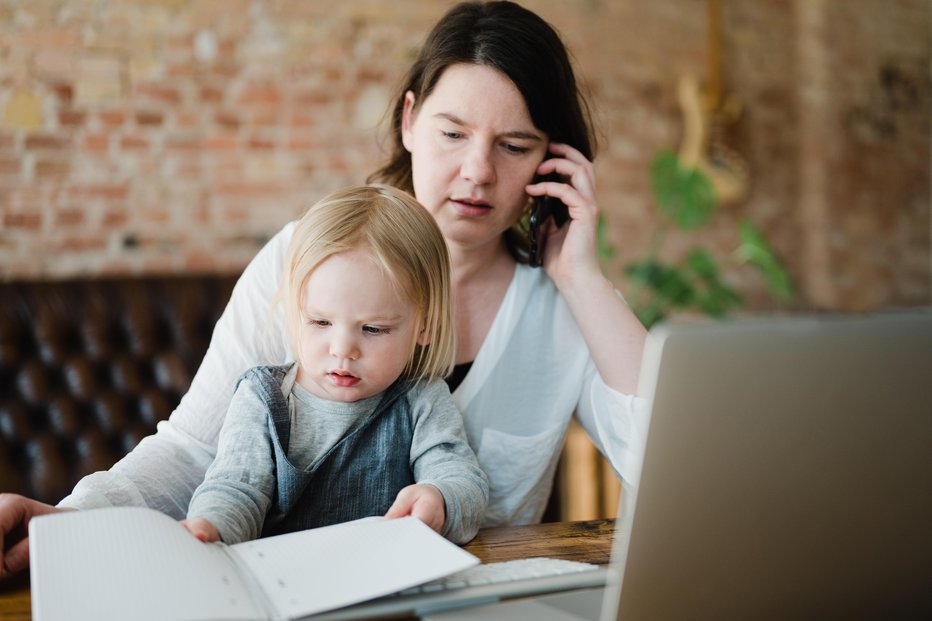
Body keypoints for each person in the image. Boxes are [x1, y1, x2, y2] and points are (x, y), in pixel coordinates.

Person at [0, 0, 648, 576]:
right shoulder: (304, 258)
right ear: (409, 121)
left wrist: (580, 277)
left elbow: (669, 472)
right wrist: (70, 520)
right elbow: (196, 448)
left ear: (551, 161)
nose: (477, 171)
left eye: (513, 144)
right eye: (452, 133)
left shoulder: (566, 305)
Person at [180, 184, 488, 545]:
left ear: (425, 327)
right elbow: (236, 487)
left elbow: (461, 480)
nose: (343, 350)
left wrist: (439, 499)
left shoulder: (422, 400)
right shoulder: (262, 398)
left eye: (373, 328)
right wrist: (211, 526)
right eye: (320, 323)